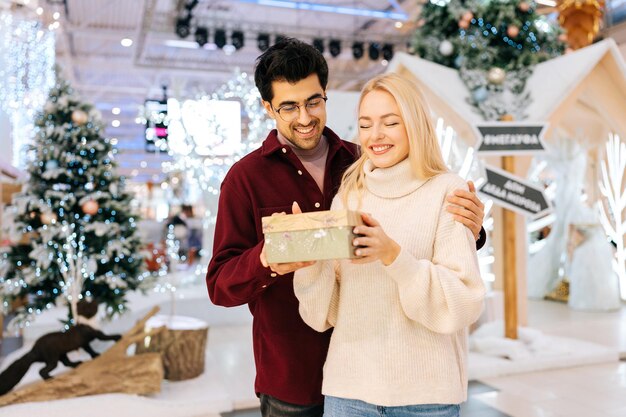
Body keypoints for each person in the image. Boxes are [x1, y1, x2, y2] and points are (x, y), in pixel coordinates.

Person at [206, 38, 486, 417]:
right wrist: (269, 259)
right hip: (296, 372)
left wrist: (471, 228)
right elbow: (220, 284)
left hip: (385, 370)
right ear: (268, 108)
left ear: (325, 96)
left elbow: (422, 216)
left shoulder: (363, 160)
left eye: (313, 102)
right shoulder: (245, 178)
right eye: (288, 106)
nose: (304, 117)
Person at [293, 73, 485, 417]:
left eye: (390, 122)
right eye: (365, 125)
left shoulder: (448, 192)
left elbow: (462, 303)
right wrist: (310, 264)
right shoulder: (348, 197)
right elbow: (326, 314)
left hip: (425, 398)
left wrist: (393, 255)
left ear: (415, 124)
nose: (375, 136)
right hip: (348, 392)